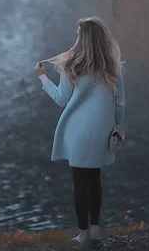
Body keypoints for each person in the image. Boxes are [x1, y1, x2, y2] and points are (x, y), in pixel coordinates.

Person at [33, 16, 125, 247]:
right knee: (95, 180)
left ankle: (82, 234)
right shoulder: (113, 65)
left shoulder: (71, 65)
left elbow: (60, 99)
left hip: (76, 132)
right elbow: (120, 102)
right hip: (101, 131)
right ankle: (95, 231)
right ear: (102, 38)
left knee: (79, 182)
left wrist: (42, 77)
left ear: (81, 39)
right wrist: (117, 127)